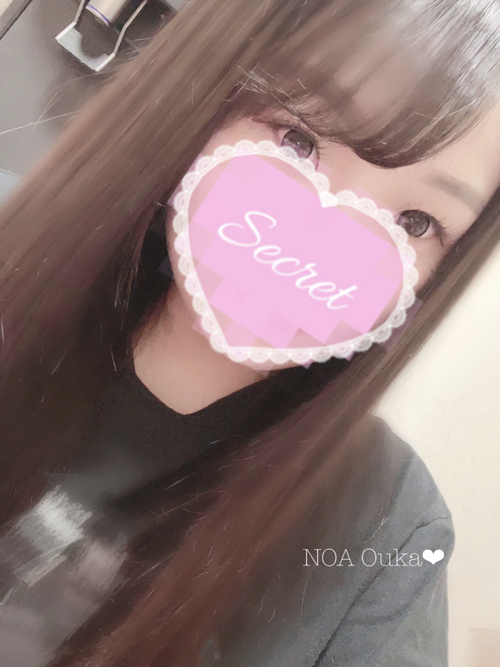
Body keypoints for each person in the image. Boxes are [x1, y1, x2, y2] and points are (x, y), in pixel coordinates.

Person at [0, 0, 500, 665]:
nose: (326, 235)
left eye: (416, 222)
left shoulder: (389, 528)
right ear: (208, 97)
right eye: (298, 139)